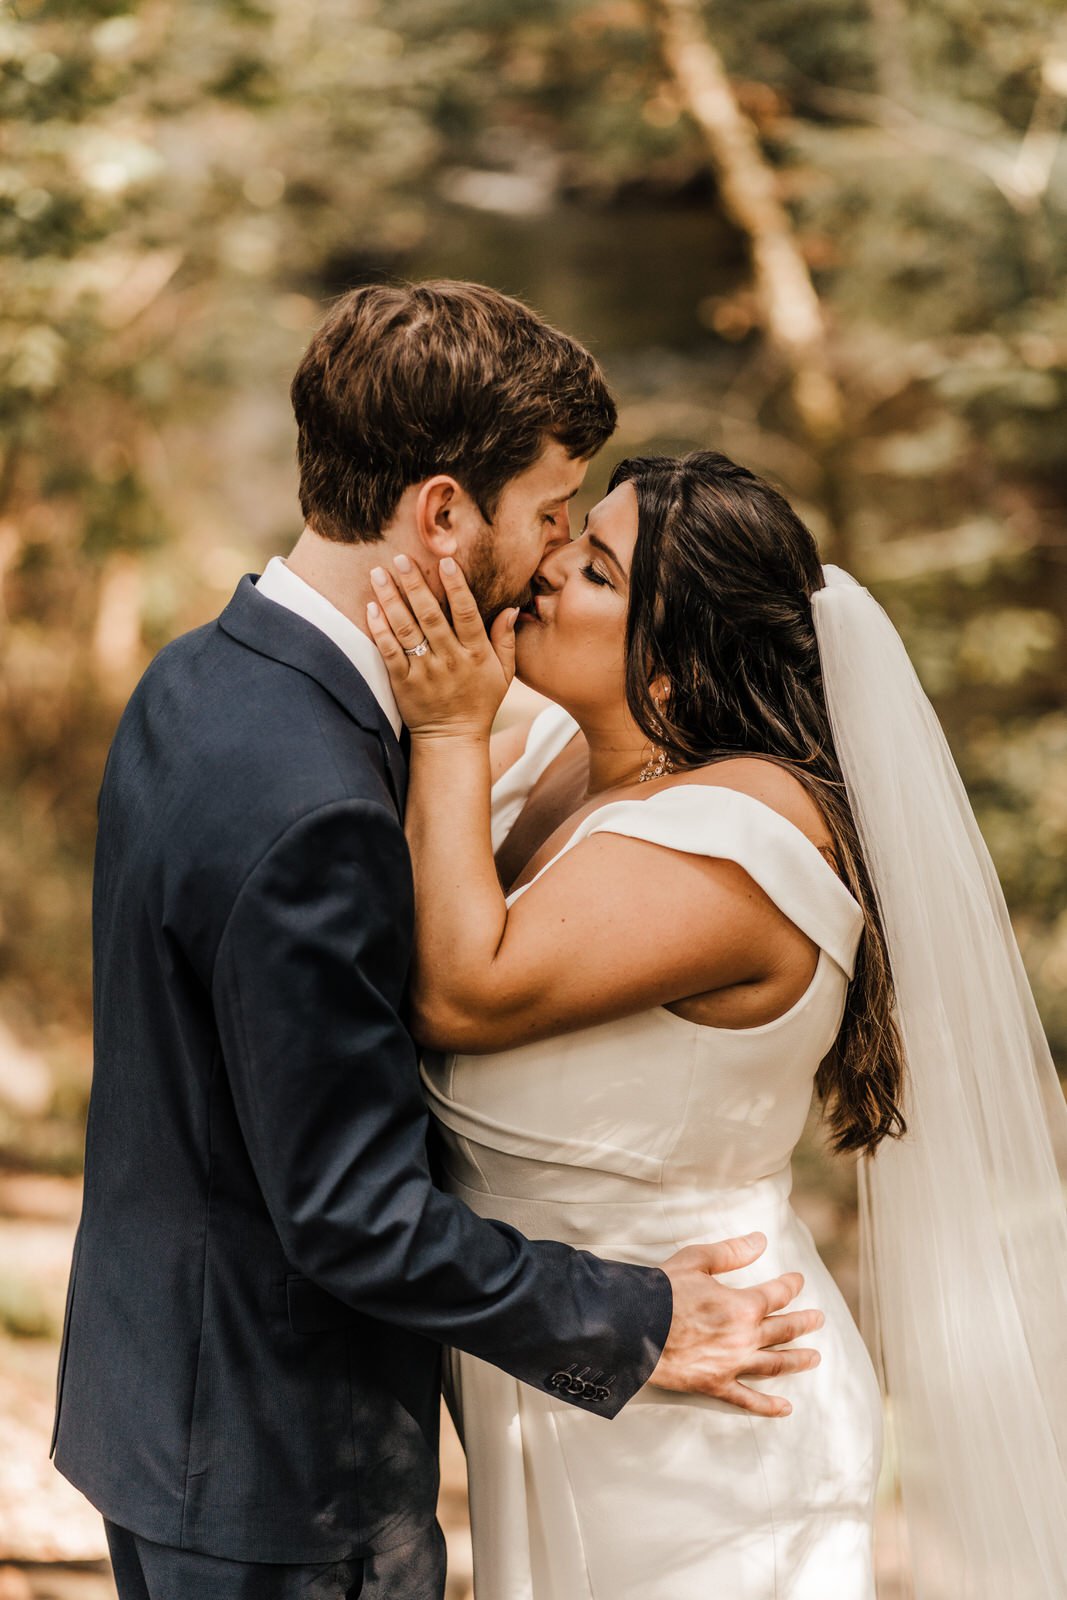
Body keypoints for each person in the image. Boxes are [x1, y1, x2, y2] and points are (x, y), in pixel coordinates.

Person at [51, 286, 824, 1600]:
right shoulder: (318, 801)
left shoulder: (202, 675)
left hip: (157, 1404)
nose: (550, 554)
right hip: (285, 1466)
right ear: (441, 513)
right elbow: (352, 1216)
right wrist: (633, 1327)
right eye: (547, 514)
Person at [367, 448, 1067, 1598]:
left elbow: (458, 987)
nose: (546, 571)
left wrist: (447, 733)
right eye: (570, 537)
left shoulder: (739, 834)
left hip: (705, 1431)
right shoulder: (563, 758)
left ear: (680, 665)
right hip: (589, 1380)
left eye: (594, 569)